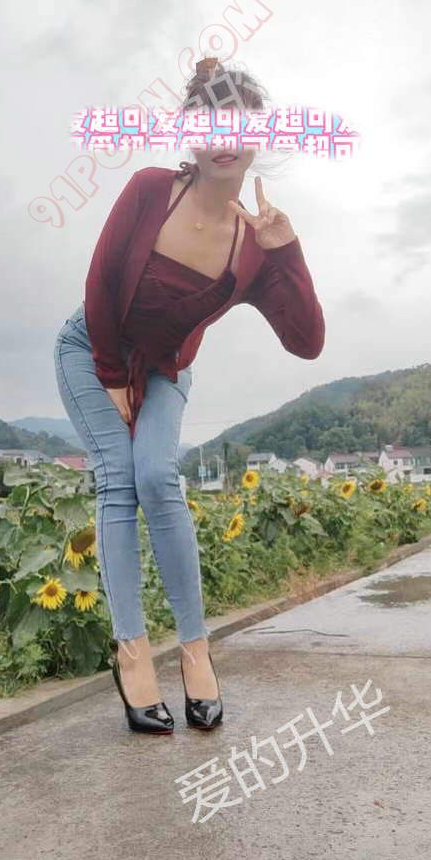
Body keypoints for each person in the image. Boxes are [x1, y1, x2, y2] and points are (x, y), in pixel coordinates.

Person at [54, 57, 325, 735]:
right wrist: (112, 373)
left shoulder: (255, 246)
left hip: (168, 371)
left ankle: (195, 650)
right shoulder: (151, 190)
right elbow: (100, 281)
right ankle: (132, 651)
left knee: (158, 476)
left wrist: (287, 252)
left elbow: (307, 341)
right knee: (120, 479)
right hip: (91, 351)